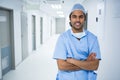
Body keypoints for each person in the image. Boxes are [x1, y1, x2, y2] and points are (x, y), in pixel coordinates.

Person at [53, 3, 101, 80]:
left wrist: (72, 60)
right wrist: (85, 62)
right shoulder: (63, 38)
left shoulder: (93, 39)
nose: (78, 20)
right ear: (70, 18)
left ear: (84, 18)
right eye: (74, 17)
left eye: (81, 17)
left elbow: (94, 65)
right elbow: (61, 65)